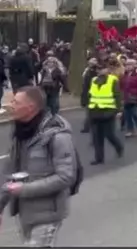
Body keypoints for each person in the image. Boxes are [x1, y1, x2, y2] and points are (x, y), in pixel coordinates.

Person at [0, 86, 77, 246]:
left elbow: (66, 176)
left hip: (48, 214)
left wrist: (23, 189)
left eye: (15, 102)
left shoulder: (57, 136)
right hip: (26, 212)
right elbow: (9, 172)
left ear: (30, 107)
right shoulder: (20, 133)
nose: (11, 105)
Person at [82, 63, 124, 165]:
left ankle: (119, 147)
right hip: (95, 112)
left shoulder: (113, 80)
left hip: (108, 111)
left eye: (102, 68)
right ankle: (99, 158)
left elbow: (117, 95)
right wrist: (87, 105)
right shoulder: (94, 80)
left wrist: (119, 110)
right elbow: (90, 94)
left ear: (107, 69)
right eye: (98, 69)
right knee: (97, 137)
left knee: (109, 135)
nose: (100, 71)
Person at [120, 59, 137, 137]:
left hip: (134, 98)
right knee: (127, 115)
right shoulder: (124, 76)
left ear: (134, 66)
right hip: (126, 98)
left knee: (134, 114)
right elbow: (121, 87)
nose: (128, 66)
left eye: (130, 65)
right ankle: (130, 130)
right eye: (127, 65)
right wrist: (121, 97)